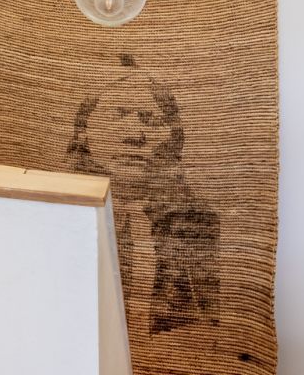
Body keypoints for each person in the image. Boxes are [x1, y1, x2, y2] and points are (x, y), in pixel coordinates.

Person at [67, 55, 220, 337]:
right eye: (118, 114)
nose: (134, 135)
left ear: (173, 136)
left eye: (151, 120)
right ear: (83, 130)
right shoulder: (56, 216)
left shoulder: (196, 221)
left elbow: (210, 327)